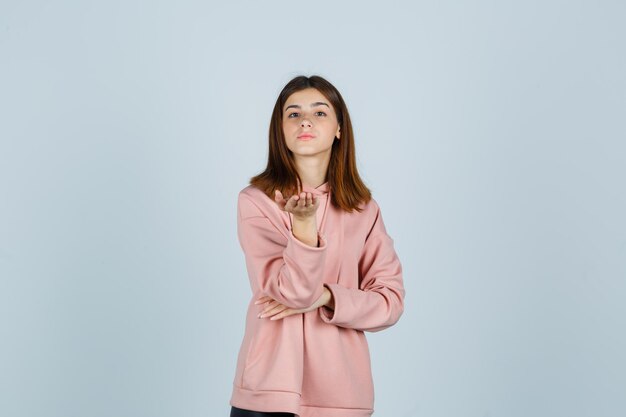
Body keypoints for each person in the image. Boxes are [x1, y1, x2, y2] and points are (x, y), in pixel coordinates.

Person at [229, 75, 405, 417]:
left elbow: (390, 302)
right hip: (269, 390)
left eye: (320, 112)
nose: (305, 120)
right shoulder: (256, 202)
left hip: (340, 395)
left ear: (339, 127)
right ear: (280, 129)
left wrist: (327, 296)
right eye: (293, 114)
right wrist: (304, 228)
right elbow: (291, 293)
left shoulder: (364, 210)